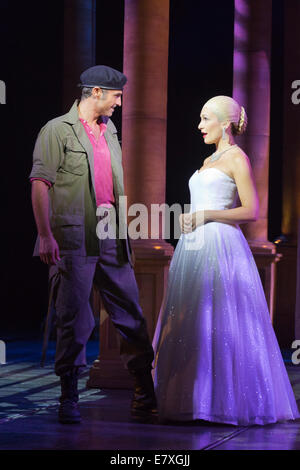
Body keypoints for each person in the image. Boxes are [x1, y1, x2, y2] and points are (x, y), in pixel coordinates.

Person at [152, 96, 300, 426]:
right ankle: (193, 398)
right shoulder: (208, 159)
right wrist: (191, 220)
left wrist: (205, 215)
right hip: (195, 245)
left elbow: (251, 210)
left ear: (225, 123)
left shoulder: (237, 158)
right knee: (192, 320)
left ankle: (225, 401)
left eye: (206, 119)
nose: (200, 125)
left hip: (220, 244)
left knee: (221, 320)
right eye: (200, 118)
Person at [30, 65, 157, 424]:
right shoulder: (57, 130)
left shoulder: (110, 131)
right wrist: (45, 234)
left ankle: (144, 392)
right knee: (74, 317)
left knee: (131, 313)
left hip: (111, 233)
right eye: (116, 95)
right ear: (96, 92)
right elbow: (40, 183)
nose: (120, 102)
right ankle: (69, 394)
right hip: (74, 235)